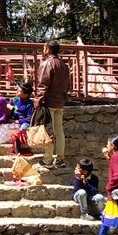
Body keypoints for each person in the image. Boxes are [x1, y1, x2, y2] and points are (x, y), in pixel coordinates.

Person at [36, 40, 71, 168]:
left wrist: (38, 100)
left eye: (44, 48)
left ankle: (48, 160)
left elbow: (42, 84)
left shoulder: (47, 64)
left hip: (49, 101)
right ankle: (60, 159)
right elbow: (68, 85)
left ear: (48, 50)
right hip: (60, 101)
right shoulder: (63, 65)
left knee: (49, 130)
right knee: (59, 130)